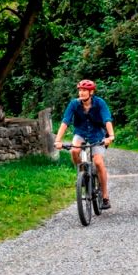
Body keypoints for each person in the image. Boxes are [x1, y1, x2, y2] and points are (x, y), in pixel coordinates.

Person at [54, 79, 114, 210]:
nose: (81, 93)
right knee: (74, 151)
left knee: (98, 162)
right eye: (80, 90)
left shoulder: (99, 103)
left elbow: (107, 119)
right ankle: (82, 174)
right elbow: (65, 122)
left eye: (84, 90)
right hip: (80, 133)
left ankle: (105, 196)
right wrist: (58, 140)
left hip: (98, 134)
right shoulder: (74, 104)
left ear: (91, 92)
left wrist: (111, 136)